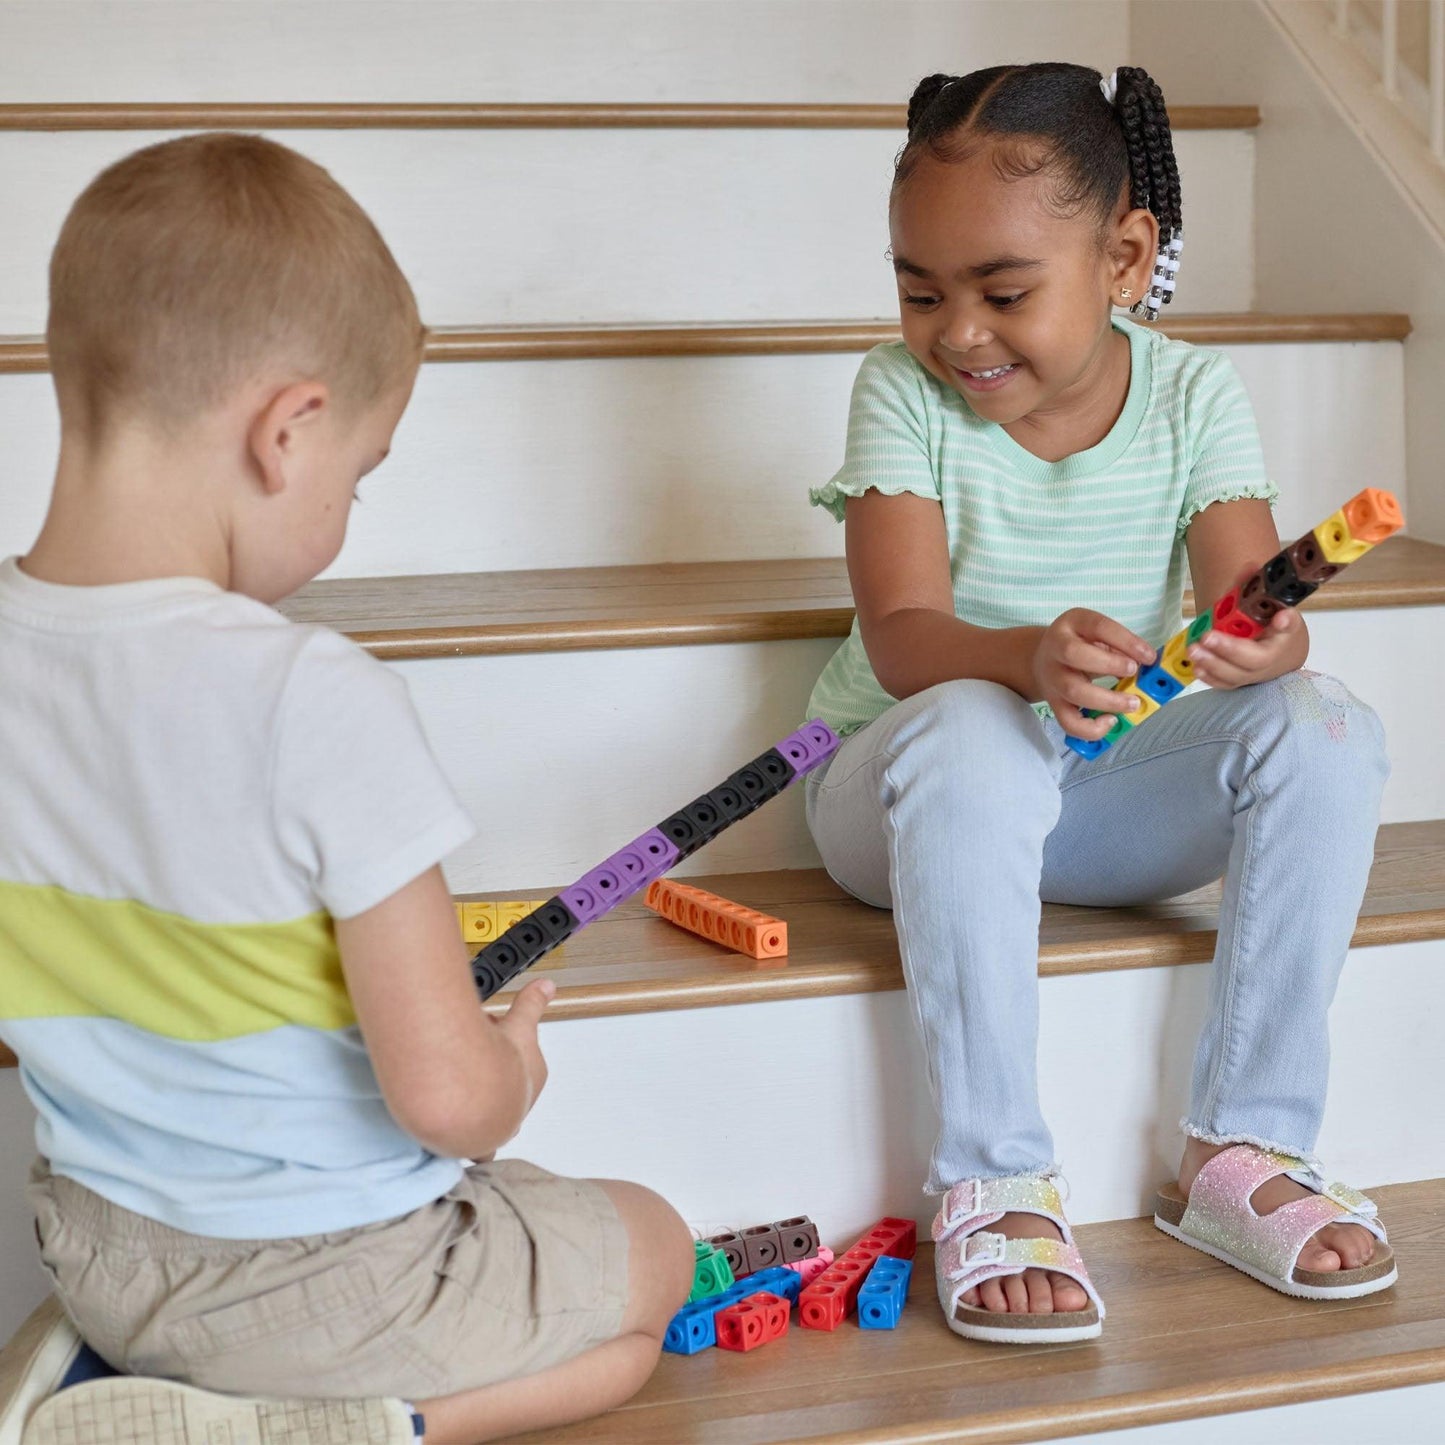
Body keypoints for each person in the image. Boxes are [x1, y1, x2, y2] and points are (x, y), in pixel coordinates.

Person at [0, 132, 693, 1444]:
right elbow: (443, 1102)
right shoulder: (310, 694)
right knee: (653, 1251)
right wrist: (508, 1068)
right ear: (287, 432)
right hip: (333, 1280)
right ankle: (330, 1425)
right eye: (358, 477)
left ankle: (114, 1377)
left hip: (99, 1250)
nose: (346, 511)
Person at [802, 63, 1396, 1345]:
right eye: (920, 290)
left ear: (1123, 258)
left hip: (1086, 793)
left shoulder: (1191, 391)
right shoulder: (898, 392)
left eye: (1002, 291)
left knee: (1327, 720)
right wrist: (1023, 656)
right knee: (973, 727)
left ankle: (1241, 1149)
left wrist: (1261, 641)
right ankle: (993, 1173)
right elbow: (901, 639)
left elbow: (1256, 611)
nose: (958, 333)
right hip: (900, 798)